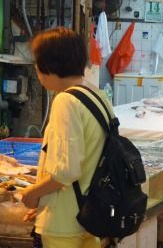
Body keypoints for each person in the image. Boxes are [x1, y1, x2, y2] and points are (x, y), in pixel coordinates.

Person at [21, 28, 114, 248]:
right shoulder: (98, 96)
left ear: (48, 66)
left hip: (64, 225)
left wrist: (32, 194)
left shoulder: (66, 101)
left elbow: (66, 171)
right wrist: (44, 202)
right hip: (91, 218)